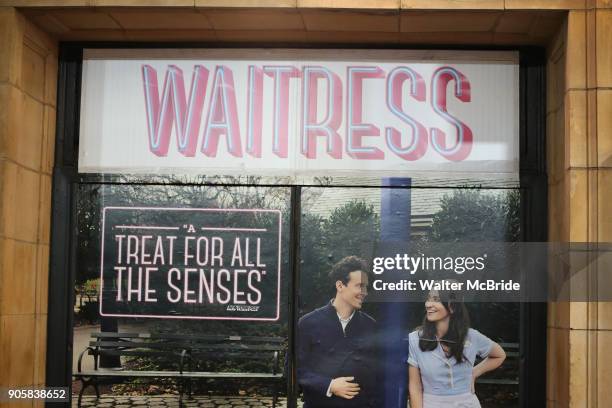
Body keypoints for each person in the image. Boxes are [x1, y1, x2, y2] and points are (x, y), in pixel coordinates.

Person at [297, 256, 380, 408]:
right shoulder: (308, 323)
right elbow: (294, 370)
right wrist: (329, 385)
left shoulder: (370, 326)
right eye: (360, 286)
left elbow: (377, 376)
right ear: (340, 286)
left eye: (366, 287)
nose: (365, 292)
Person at [407, 286, 506, 408]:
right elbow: (415, 388)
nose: (428, 304)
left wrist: (474, 372)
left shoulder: (472, 336)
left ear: (452, 307)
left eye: (436, 299)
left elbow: (499, 355)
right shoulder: (415, 339)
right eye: (428, 299)